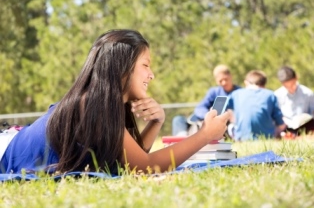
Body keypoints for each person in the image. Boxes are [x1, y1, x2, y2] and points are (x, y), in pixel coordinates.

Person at [0, 29, 230, 175]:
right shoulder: (91, 105)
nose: (151, 75)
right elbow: (146, 167)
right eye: (146, 65)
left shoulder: (104, 106)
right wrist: (204, 135)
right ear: (122, 67)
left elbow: (131, 160)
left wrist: (156, 122)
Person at [172, 64, 240, 136]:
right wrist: (209, 116)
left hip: (229, 126)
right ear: (216, 81)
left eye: (226, 79)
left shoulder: (240, 92)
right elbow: (200, 108)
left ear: (231, 76)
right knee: (178, 119)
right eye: (220, 81)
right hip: (208, 123)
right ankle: (181, 138)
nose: (224, 83)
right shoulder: (214, 92)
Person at [227, 70, 286, 141]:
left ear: (246, 82)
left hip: (241, 138)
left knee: (230, 125)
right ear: (264, 85)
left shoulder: (236, 94)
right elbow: (279, 121)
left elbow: (222, 107)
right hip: (267, 137)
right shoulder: (270, 95)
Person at [274, 66, 314, 135]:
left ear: (296, 78)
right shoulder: (277, 95)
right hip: (285, 128)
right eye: (287, 87)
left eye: (292, 85)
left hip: (304, 127)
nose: (290, 89)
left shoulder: (308, 93)